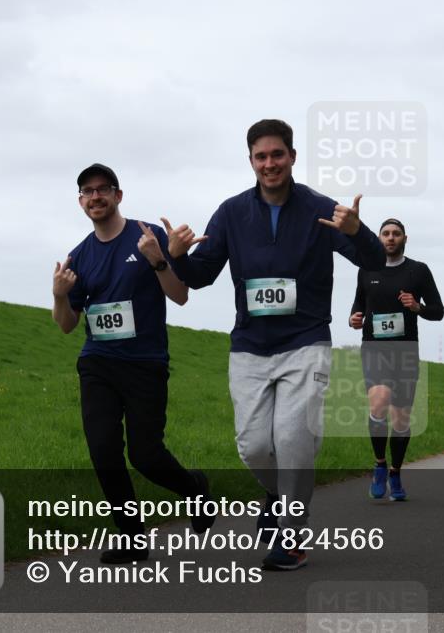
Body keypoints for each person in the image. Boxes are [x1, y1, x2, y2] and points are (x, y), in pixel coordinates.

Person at [164, 119, 386, 570]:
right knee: (253, 448)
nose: (270, 163)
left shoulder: (320, 210)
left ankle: (291, 536)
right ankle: (278, 495)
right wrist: (175, 255)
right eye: (261, 156)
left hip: (305, 342)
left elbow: (375, 261)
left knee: (293, 440)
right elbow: (200, 276)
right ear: (250, 161)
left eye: (277, 154)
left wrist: (357, 230)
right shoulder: (231, 213)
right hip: (249, 347)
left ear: (292, 156)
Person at [53, 163, 214, 565]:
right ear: (81, 201)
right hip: (98, 363)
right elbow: (67, 325)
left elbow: (180, 296)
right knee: (103, 450)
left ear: (118, 195)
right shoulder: (80, 256)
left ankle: (194, 489)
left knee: (146, 456)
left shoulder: (148, 236)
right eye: (87, 191)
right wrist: (59, 295)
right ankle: (132, 538)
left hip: (145, 363)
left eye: (103, 189)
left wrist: (158, 260)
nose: (95, 197)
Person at [349, 218, 444, 501]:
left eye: (396, 234)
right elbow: (359, 304)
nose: (390, 238)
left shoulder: (418, 270)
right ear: (379, 238)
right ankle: (379, 464)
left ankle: (395, 472)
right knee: (379, 402)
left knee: (401, 419)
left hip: (405, 351)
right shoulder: (366, 269)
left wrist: (417, 307)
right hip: (374, 349)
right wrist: (354, 318)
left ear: (404, 239)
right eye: (386, 234)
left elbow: (438, 311)